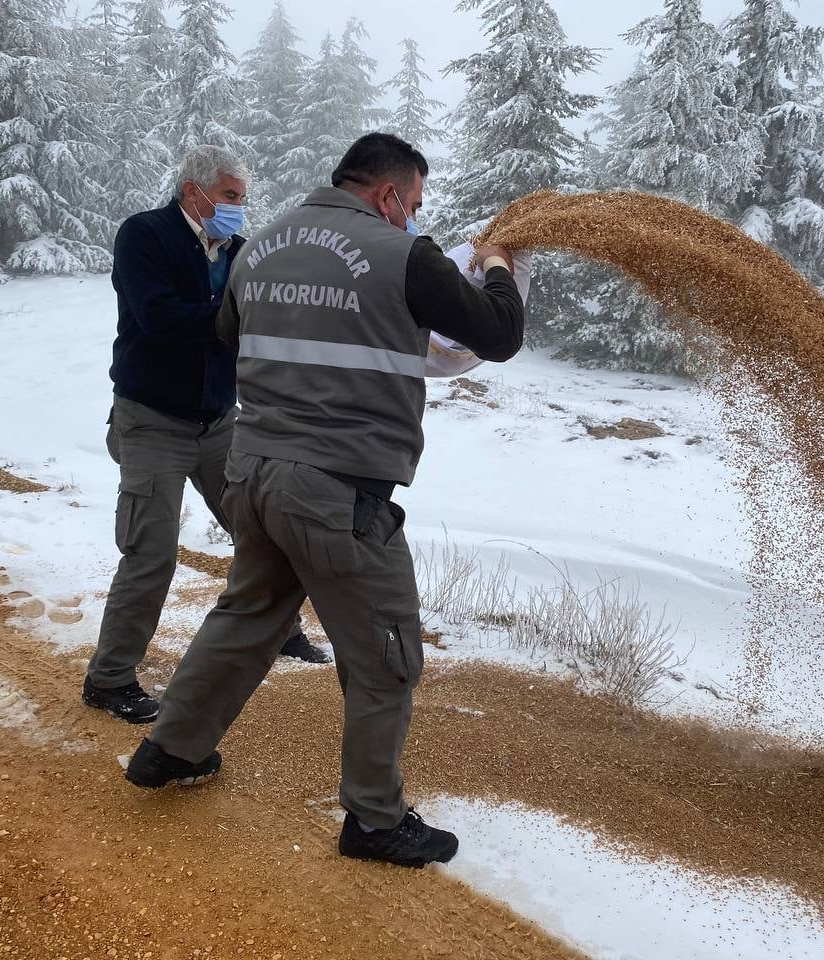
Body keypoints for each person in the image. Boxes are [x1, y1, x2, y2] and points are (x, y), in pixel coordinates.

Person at [124, 133, 525, 868]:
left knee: (247, 615)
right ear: (387, 195)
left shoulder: (262, 246)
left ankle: (169, 750)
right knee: (386, 654)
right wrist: (501, 263)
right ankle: (374, 818)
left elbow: (227, 332)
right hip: (337, 492)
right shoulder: (405, 254)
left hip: (255, 474)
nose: (414, 217)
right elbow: (498, 333)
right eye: (415, 204)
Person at [84, 145, 329, 726]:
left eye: (242, 198)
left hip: (219, 422)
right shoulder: (145, 236)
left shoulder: (239, 252)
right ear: (195, 193)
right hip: (151, 422)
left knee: (261, 527)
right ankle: (110, 678)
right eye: (232, 197)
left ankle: (281, 630)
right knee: (151, 552)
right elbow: (160, 319)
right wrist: (238, 314)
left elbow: (260, 322)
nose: (240, 209)